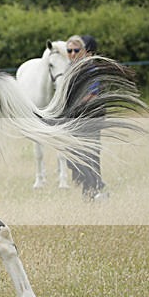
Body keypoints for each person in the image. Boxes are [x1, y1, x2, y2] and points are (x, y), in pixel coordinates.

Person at [66, 34, 106, 200]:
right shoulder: (68, 70)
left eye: (76, 50)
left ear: (84, 52)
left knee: (90, 153)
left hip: (90, 117)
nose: (73, 54)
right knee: (73, 156)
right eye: (69, 51)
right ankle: (93, 186)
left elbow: (93, 94)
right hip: (74, 118)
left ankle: (94, 190)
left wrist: (75, 104)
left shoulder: (92, 70)